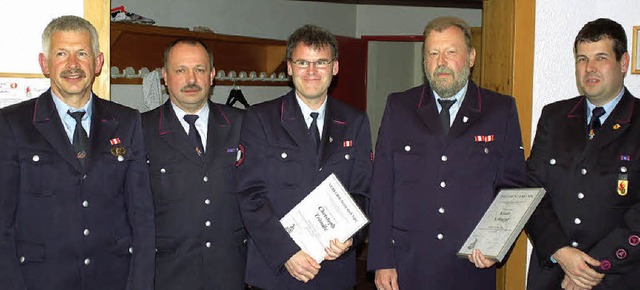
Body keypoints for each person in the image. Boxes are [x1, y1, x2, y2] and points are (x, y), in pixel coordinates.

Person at [367, 16, 527, 290]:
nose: (441, 61)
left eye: (451, 52)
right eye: (433, 53)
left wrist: (495, 244)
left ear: (471, 57)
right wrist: (382, 260)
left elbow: (512, 187)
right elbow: (382, 187)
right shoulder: (400, 107)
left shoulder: (500, 110)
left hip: (470, 264)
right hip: (408, 263)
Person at [0, 15, 155, 290]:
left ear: (98, 63)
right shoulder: (12, 124)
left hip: (113, 279)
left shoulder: (128, 121)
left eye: (82, 53)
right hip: (40, 281)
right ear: (44, 63)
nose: (73, 64)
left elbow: (142, 217)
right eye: (61, 53)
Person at [235, 24, 372, 290]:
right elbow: (249, 196)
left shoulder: (355, 121)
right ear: (289, 67)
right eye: (302, 62)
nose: (311, 71)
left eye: (321, 62)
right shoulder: (260, 119)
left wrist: (350, 239)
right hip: (276, 273)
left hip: (334, 272)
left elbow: (363, 192)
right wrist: (286, 252)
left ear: (335, 67)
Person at [525, 18, 640, 290]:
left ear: (623, 63)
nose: (589, 68)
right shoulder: (554, 117)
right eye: (582, 59)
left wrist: (591, 267)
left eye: (601, 57)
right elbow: (531, 190)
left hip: (615, 277)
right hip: (552, 274)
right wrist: (561, 253)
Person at [142, 37, 247, 290]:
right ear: (165, 76)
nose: (191, 79)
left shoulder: (244, 125)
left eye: (199, 70)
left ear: (212, 75)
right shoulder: (141, 130)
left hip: (232, 273)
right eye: (180, 70)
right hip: (168, 275)